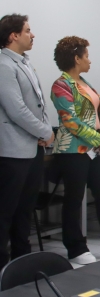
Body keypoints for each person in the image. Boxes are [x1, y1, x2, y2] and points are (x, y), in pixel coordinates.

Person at [50, 36, 100, 264]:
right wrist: (97, 140)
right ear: (76, 58)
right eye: (86, 56)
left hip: (94, 151)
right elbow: (70, 121)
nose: (89, 60)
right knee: (74, 199)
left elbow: (97, 117)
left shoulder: (85, 83)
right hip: (72, 151)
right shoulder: (61, 85)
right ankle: (76, 249)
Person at [0, 14, 53, 269]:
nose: (32, 35)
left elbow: (37, 104)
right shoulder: (3, 64)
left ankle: (22, 265)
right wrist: (44, 131)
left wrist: (41, 133)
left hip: (30, 148)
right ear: (13, 35)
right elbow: (16, 109)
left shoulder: (24, 63)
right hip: (12, 152)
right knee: (6, 213)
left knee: (25, 211)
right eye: (28, 30)